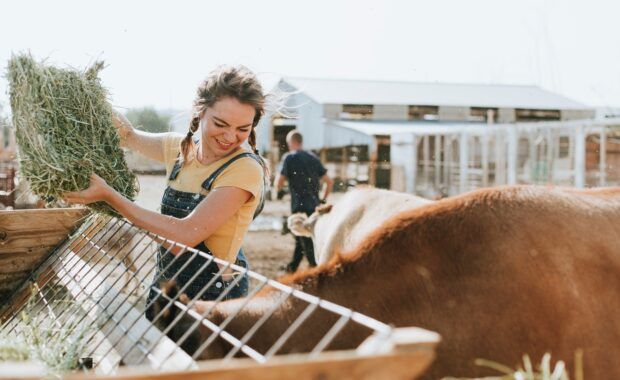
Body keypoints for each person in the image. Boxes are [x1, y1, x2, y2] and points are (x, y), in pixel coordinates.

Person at [64, 65, 269, 316]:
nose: (230, 136)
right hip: (167, 285)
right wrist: (86, 94)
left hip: (215, 300)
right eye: (221, 123)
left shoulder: (244, 169)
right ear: (200, 112)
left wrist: (109, 196)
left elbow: (183, 238)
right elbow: (127, 135)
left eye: (242, 129)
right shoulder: (179, 148)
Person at [275, 130, 333, 272]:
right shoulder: (313, 158)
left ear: (292, 143)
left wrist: (279, 192)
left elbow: (279, 182)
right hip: (314, 206)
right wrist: (323, 199)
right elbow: (329, 182)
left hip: (298, 206)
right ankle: (293, 266)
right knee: (302, 237)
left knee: (304, 239)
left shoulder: (289, 158)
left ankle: (315, 268)